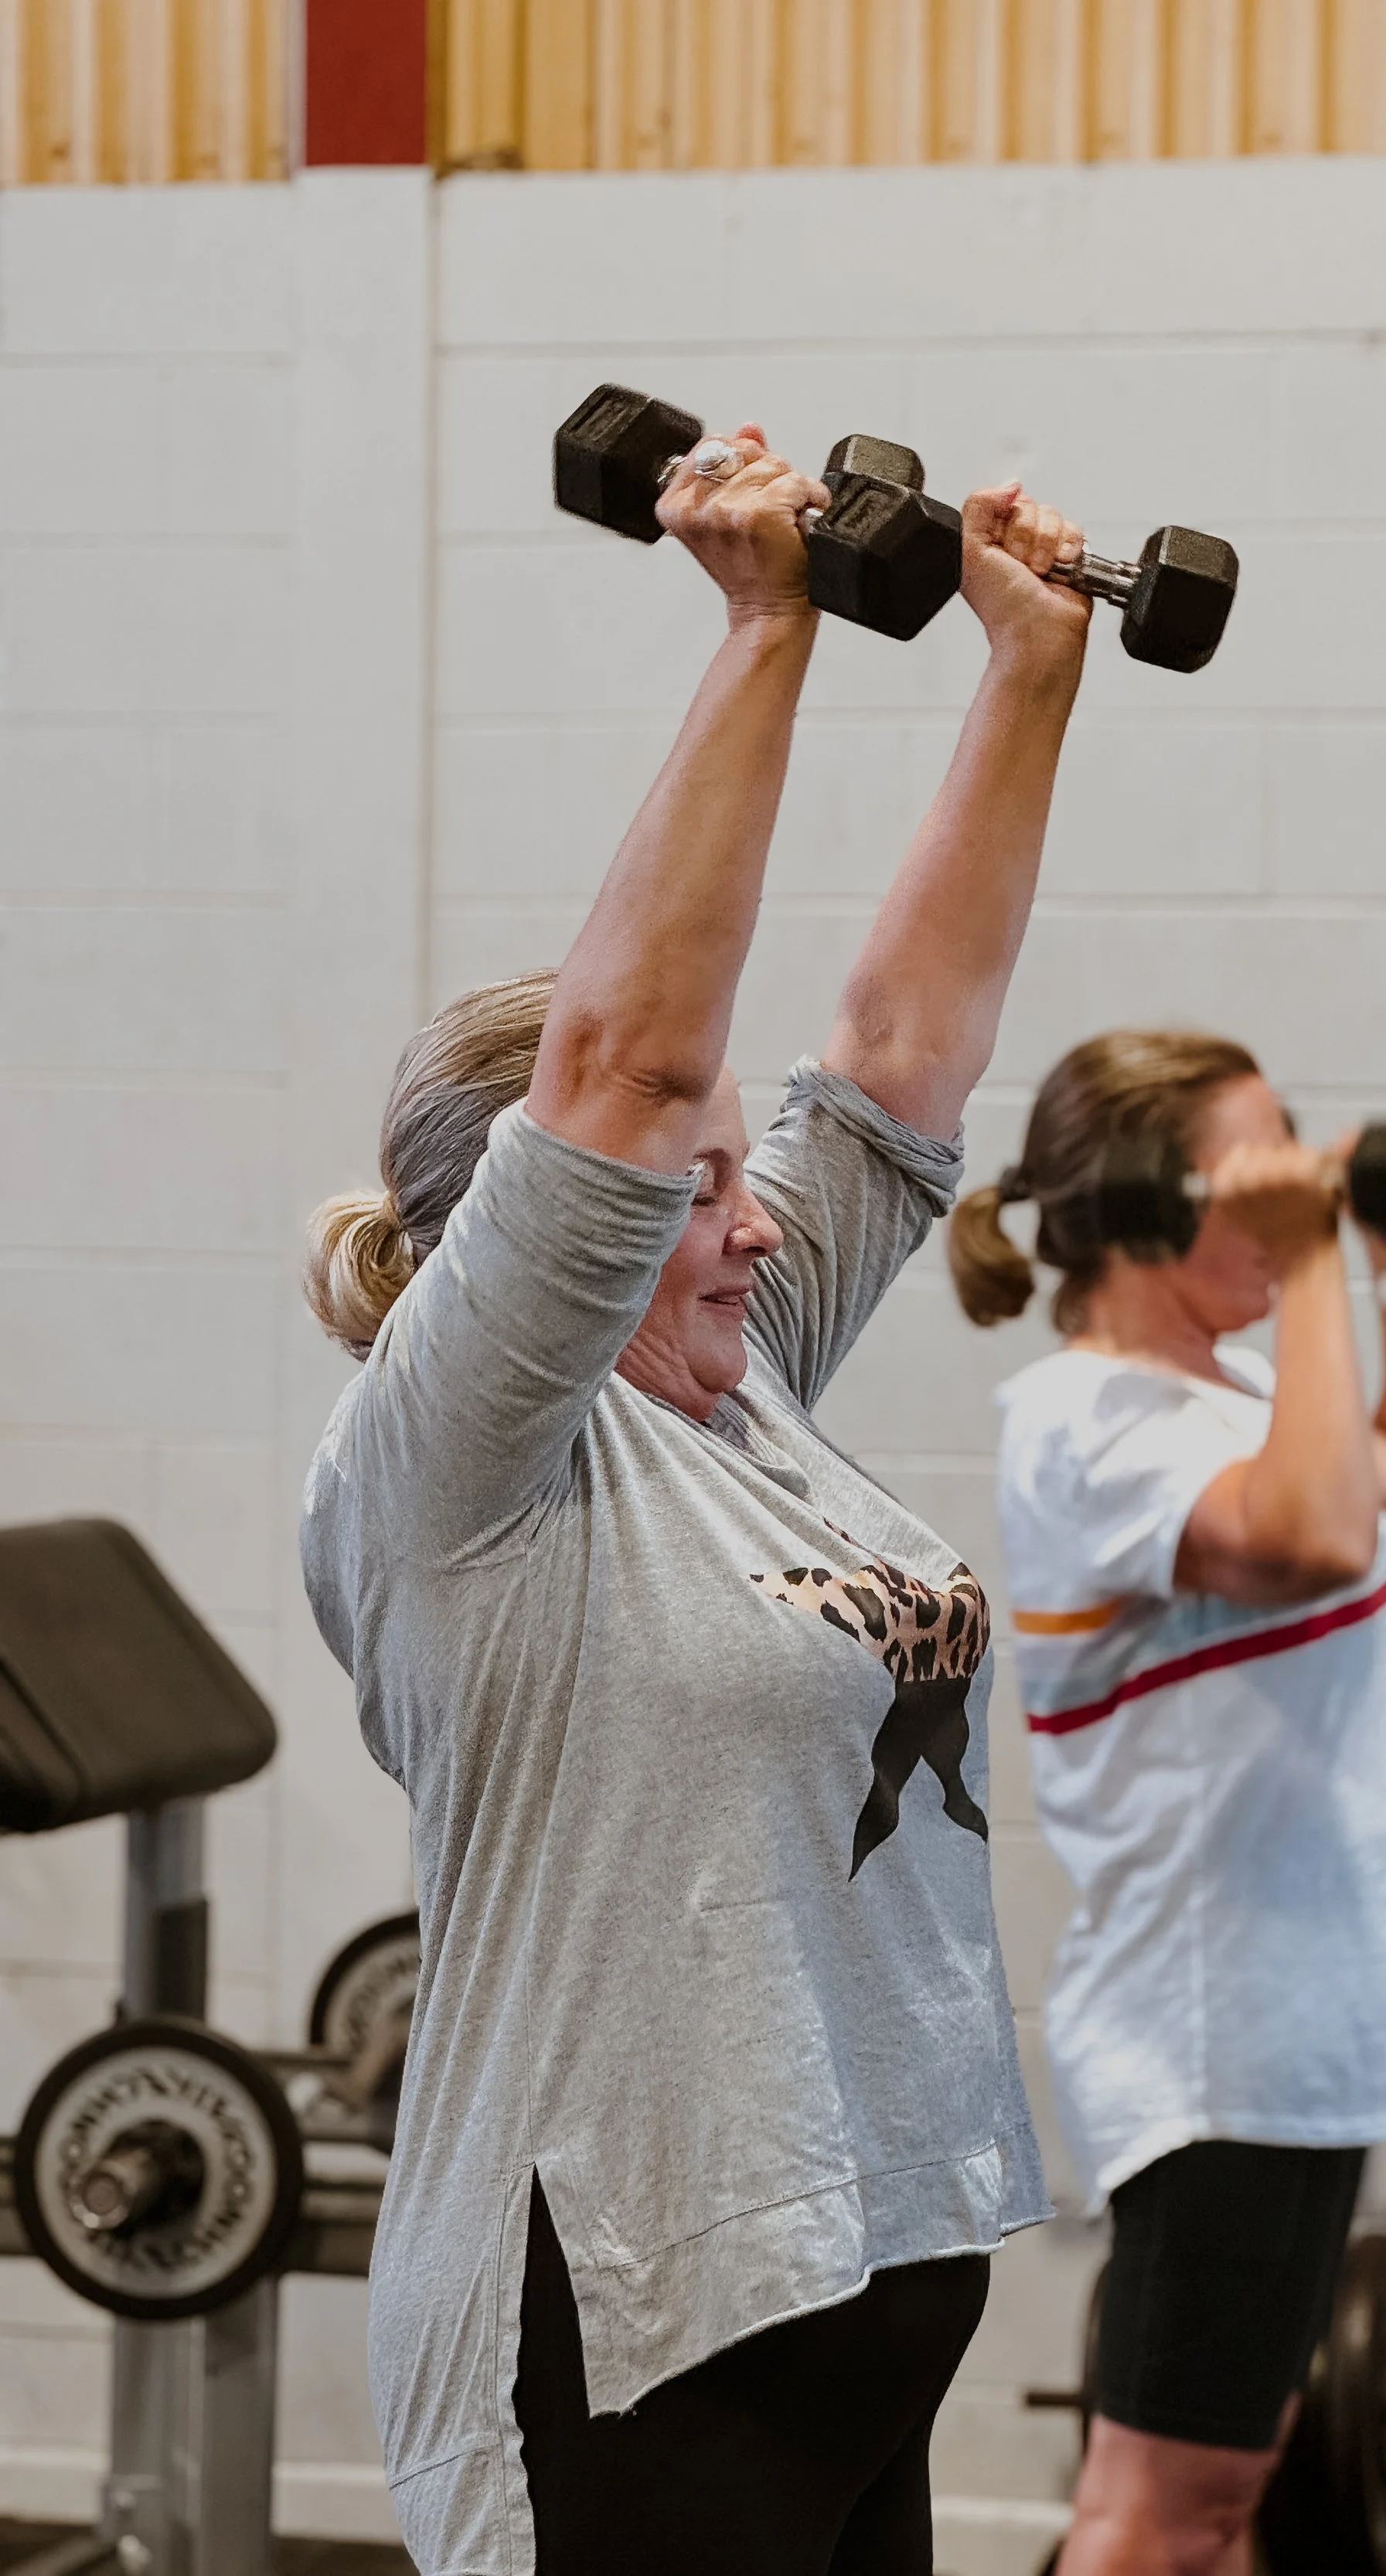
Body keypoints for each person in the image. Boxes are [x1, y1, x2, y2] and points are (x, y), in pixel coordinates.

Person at [299, 422, 1093, 2576]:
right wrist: (767, 629)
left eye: (750, 1178)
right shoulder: (465, 1460)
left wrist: (1026, 671)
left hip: (869, 2258)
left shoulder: (742, 1393)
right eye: (695, 1188)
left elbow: (908, 1046)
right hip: (630, 2308)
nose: (752, 1223)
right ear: (526, 1244)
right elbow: (624, 1073)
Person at [949, 1031, 1386, 2576]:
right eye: (1247, 1180)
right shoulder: (1081, 1421)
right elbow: (1317, 1534)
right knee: (1155, 2517)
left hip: (1302, 2035)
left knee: (1210, 2512)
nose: (1282, 1202)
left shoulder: (1235, 1384)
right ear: (1133, 1210)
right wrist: (1314, 1261)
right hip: (1216, 2047)